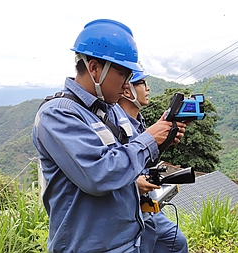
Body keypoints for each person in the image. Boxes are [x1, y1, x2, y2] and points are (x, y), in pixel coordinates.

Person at [32, 19, 187, 253]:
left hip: (129, 237)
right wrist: (149, 139)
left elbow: (131, 157)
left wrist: (161, 140)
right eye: (123, 74)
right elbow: (98, 175)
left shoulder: (112, 110)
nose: (126, 84)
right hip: (90, 246)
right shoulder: (58, 114)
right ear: (94, 68)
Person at [117, 71, 189, 253]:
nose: (148, 88)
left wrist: (163, 141)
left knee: (176, 242)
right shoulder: (115, 125)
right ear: (126, 91)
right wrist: (133, 183)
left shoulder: (138, 122)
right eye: (141, 83)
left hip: (147, 206)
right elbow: (114, 167)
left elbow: (145, 160)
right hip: (131, 209)